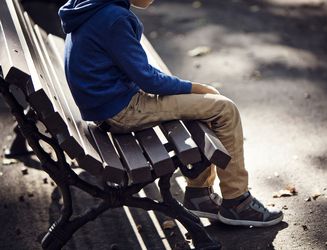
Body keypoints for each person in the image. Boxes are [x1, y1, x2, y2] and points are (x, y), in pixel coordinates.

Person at [58, 0, 283, 227]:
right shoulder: (115, 17)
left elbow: (136, 69)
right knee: (224, 109)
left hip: (106, 107)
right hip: (122, 110)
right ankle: (237, 202)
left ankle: (199, 195)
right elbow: (148, 79)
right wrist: (194, 87)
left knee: (205, 103)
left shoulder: (91, 6)